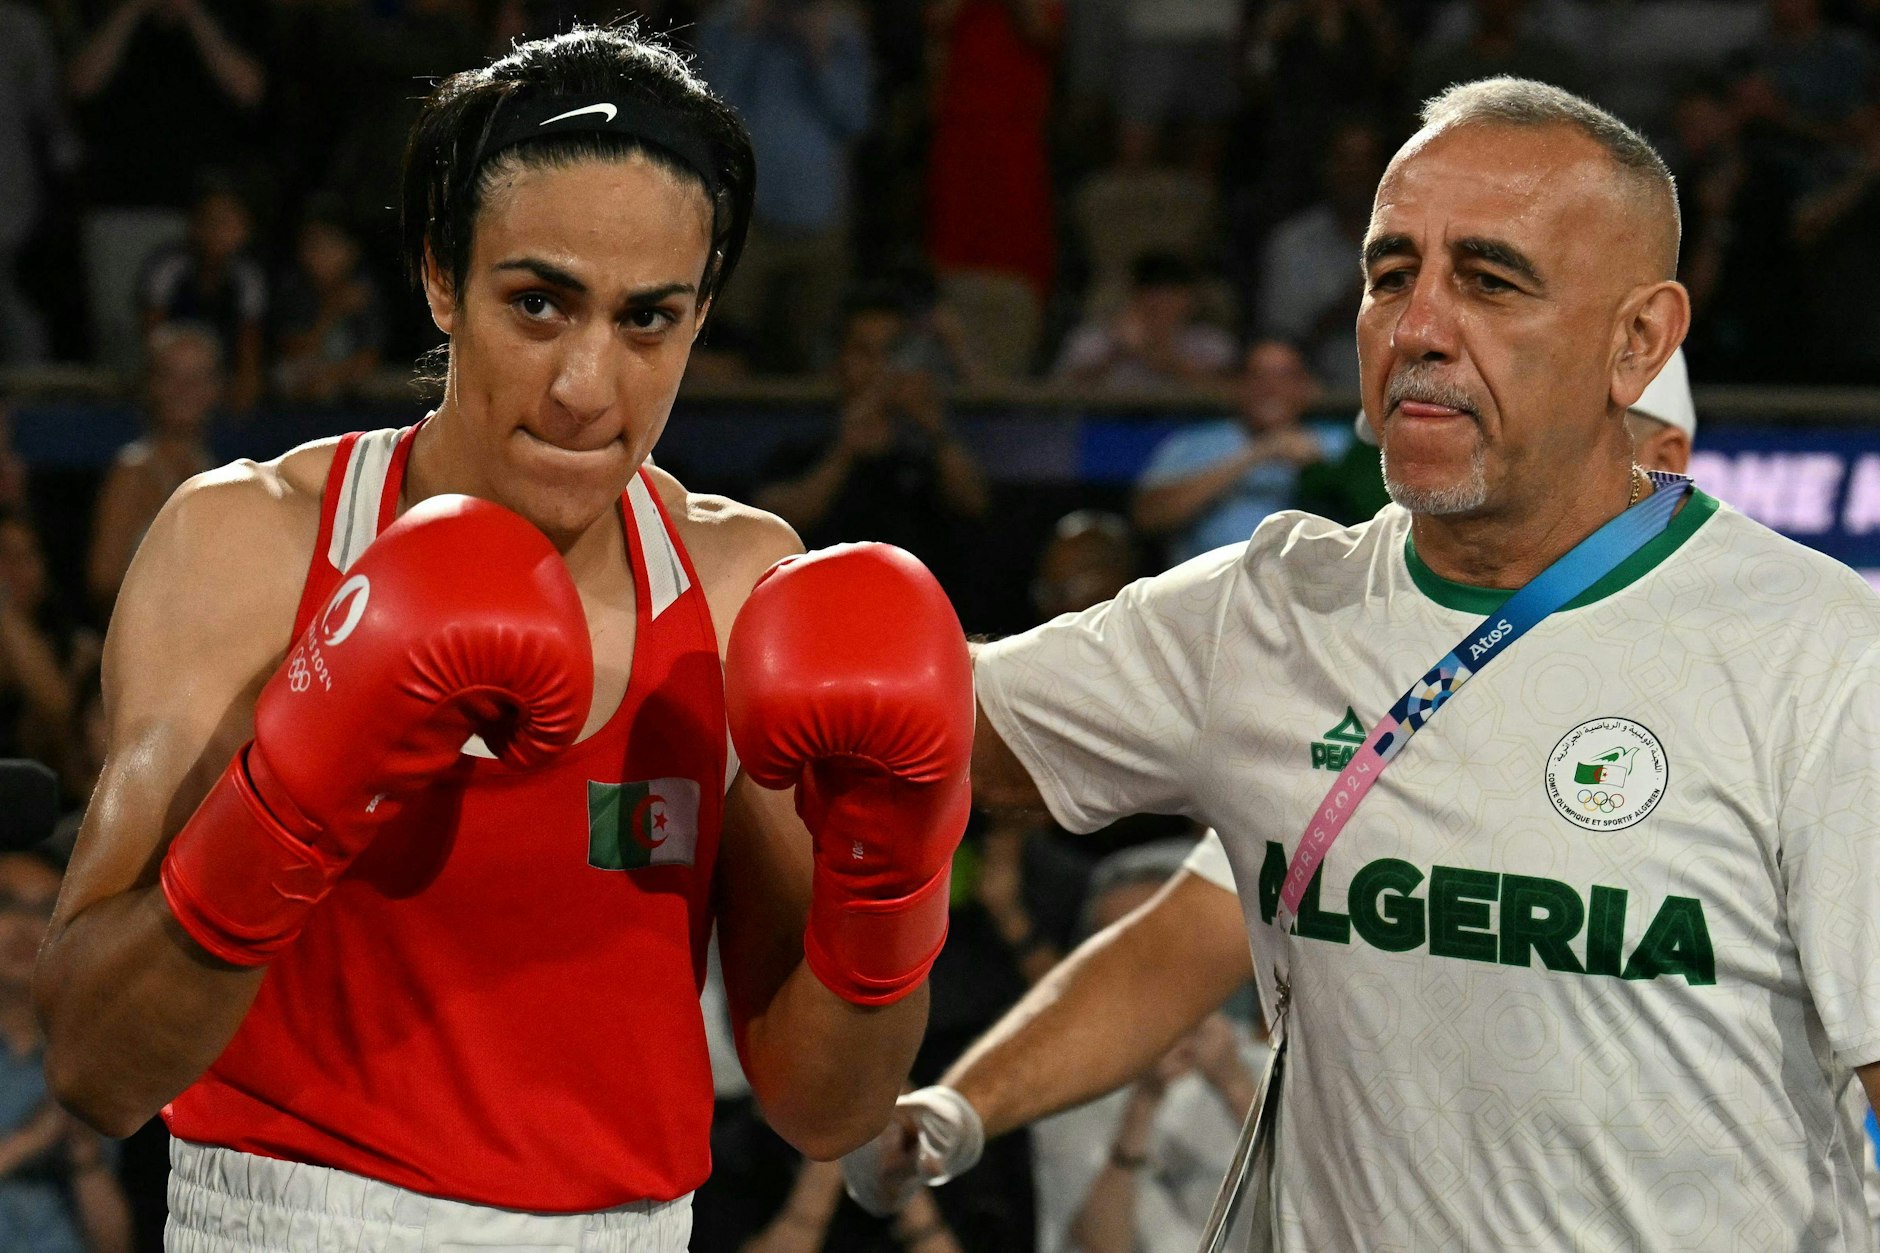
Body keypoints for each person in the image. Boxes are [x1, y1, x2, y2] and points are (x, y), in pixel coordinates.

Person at [859, 76, 1880, 1247]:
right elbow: (924, 729)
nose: (1415, 327)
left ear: (1636, 343)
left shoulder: (1813, 654)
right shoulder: (1271, 613)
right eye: (1389, 274)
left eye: (1488, 281)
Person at [36, 26, 973, 1252]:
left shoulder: (742, 583)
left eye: (649, 320)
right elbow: (95, 1066)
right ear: (440, 277)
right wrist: (289, 795)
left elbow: (824, 1105)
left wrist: (892, 875)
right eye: (538, 303)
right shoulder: (254, 548)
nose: (587, 384)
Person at [0, 853, 131, 1253]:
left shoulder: (85, 1059)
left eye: (46, 911)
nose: (25, 927)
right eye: (7, 904)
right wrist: (29, 1141)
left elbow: (114, 1245)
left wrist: (82, 1155)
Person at [1132, 340, 1343, 566]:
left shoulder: (1339, 444)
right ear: (1237, 386)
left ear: (1308, 387)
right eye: (1258, 376)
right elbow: (1147, 519)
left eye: (1286, 376)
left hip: (1312, 588)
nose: (1271, 388)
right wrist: (1257, 453)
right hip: (1210, 587)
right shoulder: (1193, 443)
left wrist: (1320, 469)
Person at [85, 322, 220, 612]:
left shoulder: (215, 471)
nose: (185, 390)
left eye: (198, 377)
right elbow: (104, 579)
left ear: (214, 389)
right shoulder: (132, 472)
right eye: (172, 376)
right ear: (153, 386)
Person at [135, 182, 266, 411]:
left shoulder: (248, 277)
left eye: (229, 224)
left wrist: (244, 385)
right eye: (211, 222)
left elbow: (249, 346)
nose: (219, 232)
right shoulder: (168, 267)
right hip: (172, 368)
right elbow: (152, 337)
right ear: (195, 225)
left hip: (220, 376)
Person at [1054, 253, 1237, 392]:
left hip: (1186, 427)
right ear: (1134, 296)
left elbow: (1226, 392)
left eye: (1172, 295)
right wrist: (1115, 353)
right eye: (1152, 294)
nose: (1161, 304)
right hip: (1103, 427)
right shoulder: (1092, 338)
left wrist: (1168, 361)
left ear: (1190, 299)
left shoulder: (1213, 342)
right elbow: (1057, 393)